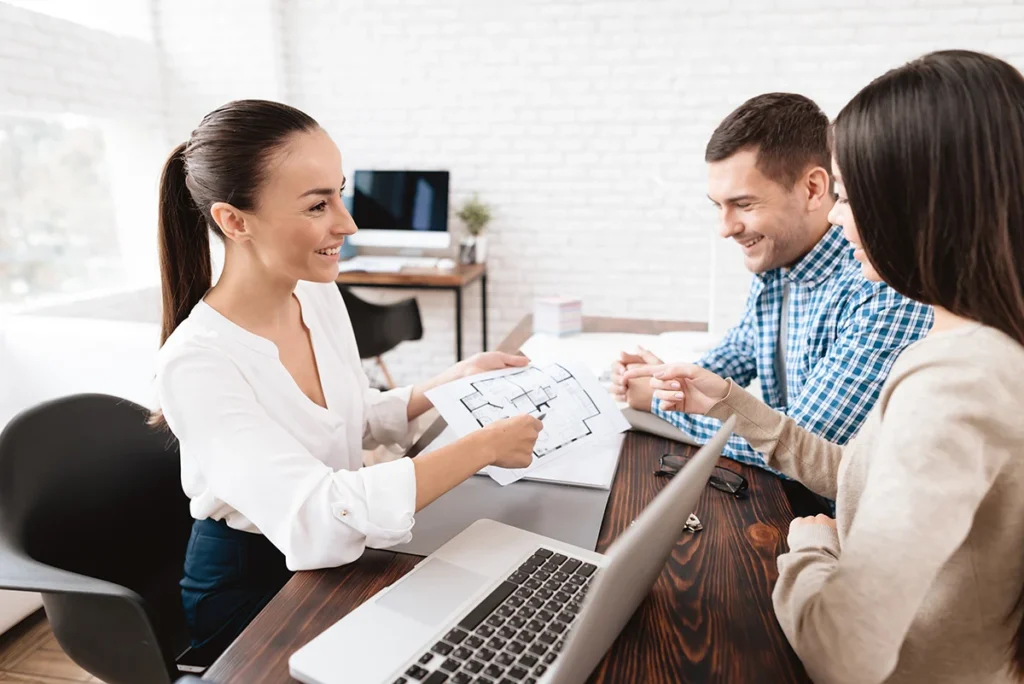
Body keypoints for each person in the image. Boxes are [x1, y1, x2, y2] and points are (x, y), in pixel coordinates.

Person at [626, 50, 1024, 683]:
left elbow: (842, 652)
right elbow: (859, 470)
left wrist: (812, 549)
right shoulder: (965, 351)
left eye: (851, 193)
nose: (839, 215)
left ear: (924, 206)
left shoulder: (956, 384)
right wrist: (728, 401)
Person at [152, 100, 542, 653]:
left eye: (340, 193)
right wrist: (480, 448)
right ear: (234, 220)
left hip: (337, 561)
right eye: (318, 205)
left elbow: (347, 420)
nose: (348, 222)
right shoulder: (198, 362)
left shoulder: (315, 293)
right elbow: (317, 515)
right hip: (255, 590)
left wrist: (450, 379)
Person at [611, 94, 932, 506]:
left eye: (743, 204)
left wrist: (660, 402)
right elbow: (732, 359)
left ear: (814, 188)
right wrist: (665, 379)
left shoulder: (881, 286)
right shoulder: (778, 263)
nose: (725, 229)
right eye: (719, 207)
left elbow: (802, 447)